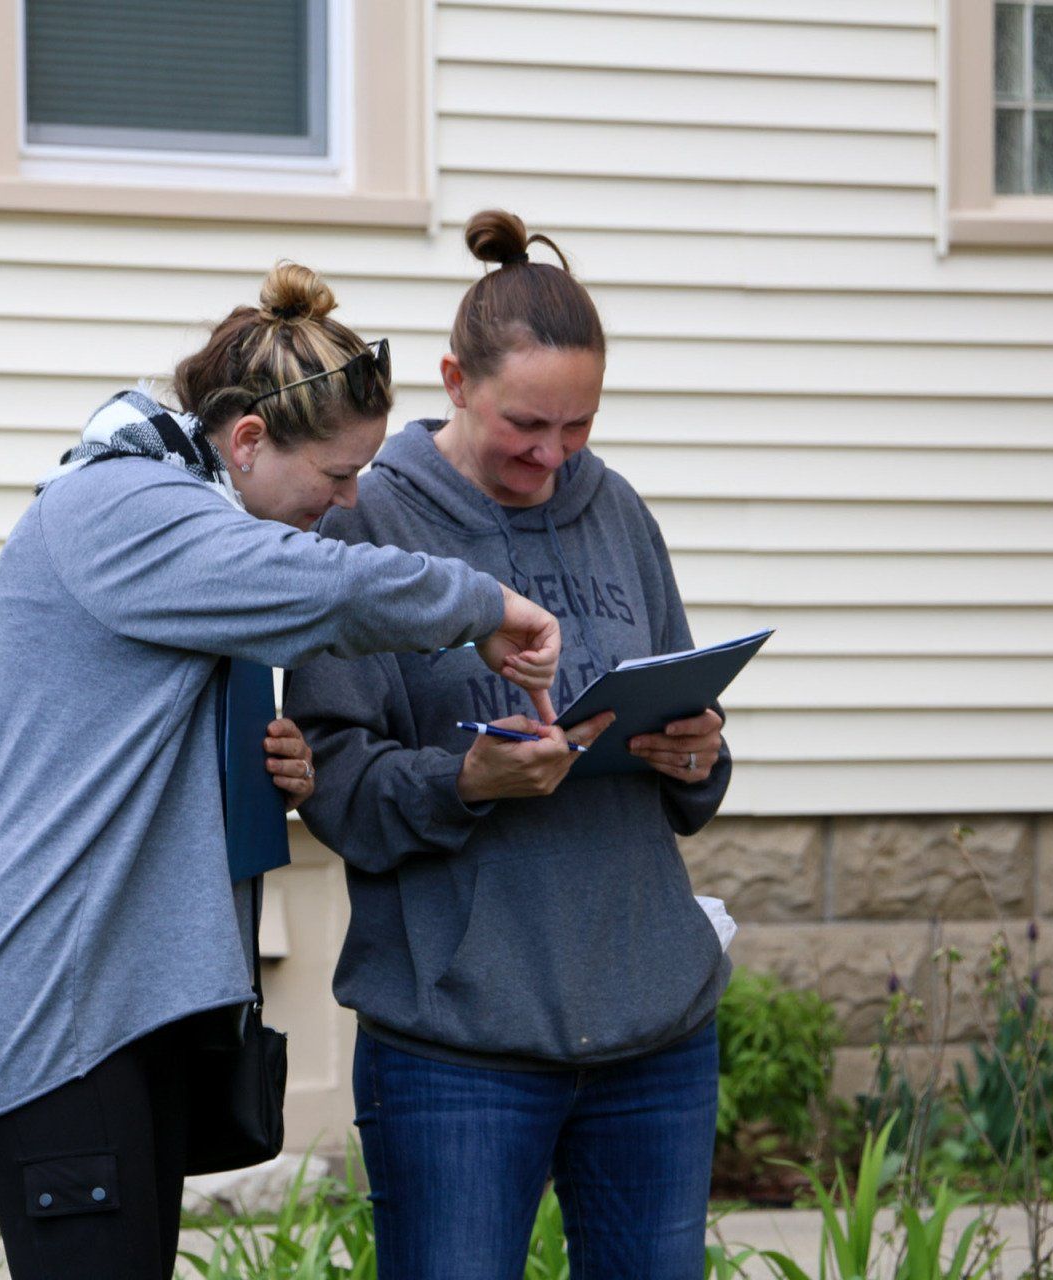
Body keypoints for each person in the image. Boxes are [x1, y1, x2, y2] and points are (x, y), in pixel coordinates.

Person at [0, 262, 562, 1280]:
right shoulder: (122, 505)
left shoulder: (185, 517)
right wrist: (489, 606)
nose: (351, 499)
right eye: (334, 476)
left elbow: (118, 716)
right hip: (50, 982)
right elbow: (324, 588)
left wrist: (250, 756)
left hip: (119, 983)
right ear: (246, 440)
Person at [284, 210, 734, 1280]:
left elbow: (693, 745)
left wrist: (698, 755)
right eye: (529, 422)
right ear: (453, 379)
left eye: (579, 424)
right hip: (459, 1046)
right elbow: (333, 784)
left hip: (656, 1031)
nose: (555, 452)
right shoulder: (367, 522)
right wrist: (466, 778)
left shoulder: (617, 509)